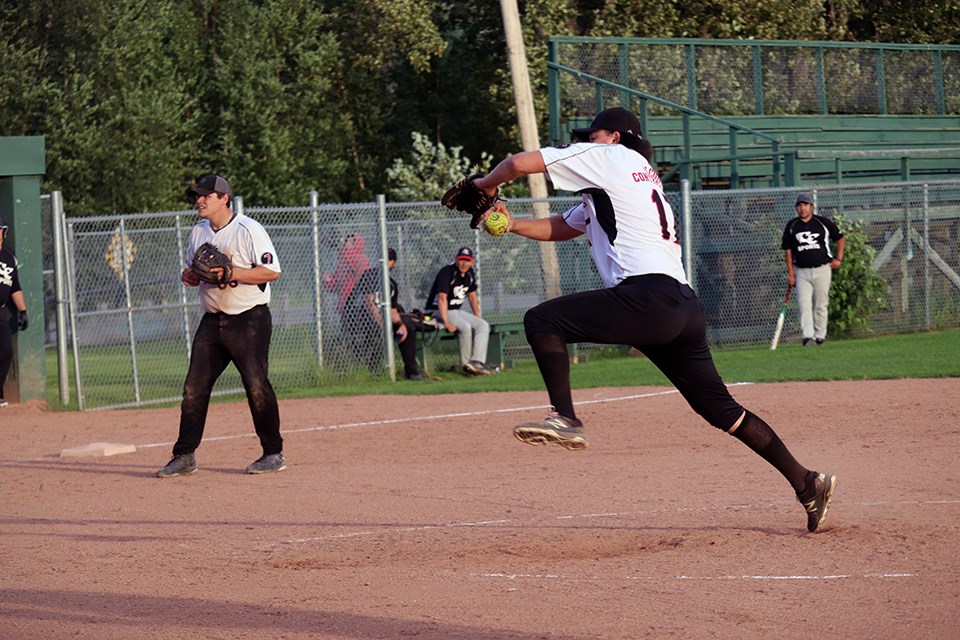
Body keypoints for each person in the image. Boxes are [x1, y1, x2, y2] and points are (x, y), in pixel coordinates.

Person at [468, 106, 836, 533]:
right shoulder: (629, 182)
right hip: (683, 306)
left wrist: (483, 185)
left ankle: (565, 418)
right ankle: (807, 482)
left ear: (617, 137)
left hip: (647, 298)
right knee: (722, 410)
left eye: (596, 134)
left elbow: (518, 164)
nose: (590, 141)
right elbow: (561, 226)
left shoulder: (614, 158)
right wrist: (510, 223)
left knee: (541, 321)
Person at [156, 174, 286, 478]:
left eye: (206, 196)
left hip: (249, 319)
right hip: (213, 320)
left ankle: (273, 453)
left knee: (256, 385)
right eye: (197, 196)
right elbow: (193, 272)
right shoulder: (198, 231)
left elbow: (271, 272)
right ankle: (184, 455)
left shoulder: (248, 229)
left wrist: (233, 271)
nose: (199, 201)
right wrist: (189, 277)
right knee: (193, 388)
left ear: (224, 198)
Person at [343, 248, 423, 380]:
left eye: (389, 259)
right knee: (375, 331)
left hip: (380, 318)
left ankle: (411, 372)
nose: (386, 262)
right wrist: (382, 325)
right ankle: (375, 370)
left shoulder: (392, 284)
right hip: (358, 317)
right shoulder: (371, 275)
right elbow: (369, 303)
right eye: (384, 258)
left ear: (394, 263)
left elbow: (392, 310)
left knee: (407, 330)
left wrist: (400, 324)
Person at [781, 192, 845, 346]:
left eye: (805, 205)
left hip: (822, 269)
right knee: (804, 304)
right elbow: (788, 250)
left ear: (811, 206)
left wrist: (838, 258)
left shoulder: (822, 222)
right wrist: (791, 273)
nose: (802, 209)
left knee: (820, 304)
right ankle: (808, 336)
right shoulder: (792, 225)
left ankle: (820, 336)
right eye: (799, 205)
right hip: (801, 271)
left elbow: (840, 237)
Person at [424, 247, 493, 375]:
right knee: (465, 327)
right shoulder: (447, 272)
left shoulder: (469, 273)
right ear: (456, 259)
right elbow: (442, 298)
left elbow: (472, 296)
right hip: (438, 310)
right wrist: (446, 322)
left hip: (454, 311)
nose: (464, 263)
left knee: (483, 325)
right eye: (461, 259)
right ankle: (466, 366)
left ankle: (476, 363)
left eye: (467, 260)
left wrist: (478, 316)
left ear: (472, 262)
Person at [0, 215, 29, 408]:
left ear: (3, 232)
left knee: (6, 352)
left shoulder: (9, 258)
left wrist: (23, 310)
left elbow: (14, 286)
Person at [323, 232, 371, 314]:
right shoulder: (342, 263)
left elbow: (364, 278)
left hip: (357, 304)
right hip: (344, 305)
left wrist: (345, 249)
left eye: (350, 241)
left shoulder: (361, 259)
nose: (346, 243)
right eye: (346, 240)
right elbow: (335, 286)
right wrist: (328, 281)